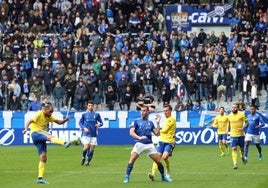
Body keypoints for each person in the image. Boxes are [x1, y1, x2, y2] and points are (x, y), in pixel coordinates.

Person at [22, 102, 72, 184]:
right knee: (50, 137)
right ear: (45, 109)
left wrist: (66, 120)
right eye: (50, 112)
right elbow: (29, 121)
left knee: (43, 157)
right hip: (36, 133)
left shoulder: (49, 116)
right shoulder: (39, 114)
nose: (51, 114)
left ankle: (40, 178)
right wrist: (25, 129)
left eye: (52, 112)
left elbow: (59, 122)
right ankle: (65, 143)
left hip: (40, 136)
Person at [123, 106, 172, 183]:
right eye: (141, 110)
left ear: (148, 112)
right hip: (140, 143)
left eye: (144, 111)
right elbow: (131, 132)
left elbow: (157, 133)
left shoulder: (150, 123)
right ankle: (127, 177)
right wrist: (139, 137)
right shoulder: (136, 121)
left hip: (149, 144)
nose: (142, 112)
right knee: (132, 160)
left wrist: (158, 123)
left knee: (158, 161)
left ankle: (163, 177)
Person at [148, 104, 176, 180]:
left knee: (164, 157)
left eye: (166, 111)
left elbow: (164, 130)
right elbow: (161, 131)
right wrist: (158, 123)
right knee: (157, 158)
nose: (165, 112)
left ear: (170, 111)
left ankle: (168, 170)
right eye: (164, 111)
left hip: (169, 142)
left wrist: (155, 130)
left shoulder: (171, 119)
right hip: (162, 141)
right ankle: (153, 174)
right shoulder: (166, 120)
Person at [79, 100, 103, 166]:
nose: (90, 107)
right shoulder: (84, 115)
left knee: (92, 149)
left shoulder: (97, 114)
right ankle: (83, 157)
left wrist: (99, 125)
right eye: (89, 106)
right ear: (87, 106)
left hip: (93, 134)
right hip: (86, 134)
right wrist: (84, 128)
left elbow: (101, 123)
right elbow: (80, 123)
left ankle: (88, 162)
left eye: (92, 106)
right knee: (86, 147)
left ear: (93, 106)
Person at [227, 103, 248, 169]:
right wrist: (227, 130)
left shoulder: (241, 114)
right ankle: (235, 163)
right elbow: (228, 123)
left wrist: (243, 127)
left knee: (242, 149)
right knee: (234, 148)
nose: (234, 108)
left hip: (241, 135)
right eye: (233, 107)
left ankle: (242, 157)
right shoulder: (229, 116)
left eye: (235, 107)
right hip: (233, 135)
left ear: (237, 108)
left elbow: (247, 122)